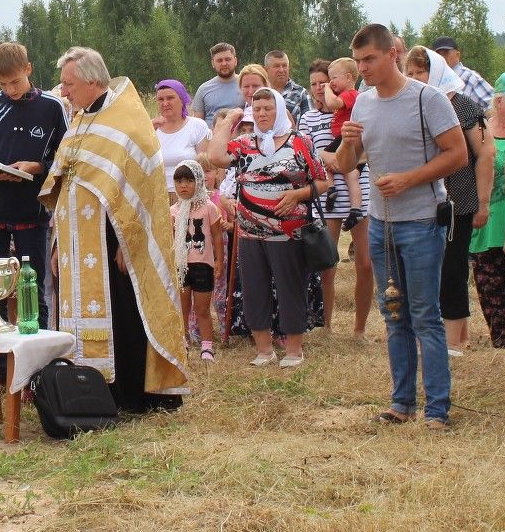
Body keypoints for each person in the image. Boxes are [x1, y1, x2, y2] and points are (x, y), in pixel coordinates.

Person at [43, 46, 189, 412]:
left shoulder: (128, 122)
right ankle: (86, 388)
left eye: (69, 84)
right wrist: (59, 244)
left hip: (113, 239)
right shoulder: (79, 120)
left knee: (124, 311)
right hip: (77, 241)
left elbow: (145, 192)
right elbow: (65, 187)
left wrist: (130, 242)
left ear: (92, 81)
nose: (64, 91)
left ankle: (130, 393)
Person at [335, 24, 467, 430]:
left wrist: (410, 179)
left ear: (393, 54)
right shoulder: (363, 104)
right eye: (358, 62)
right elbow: (345, 164)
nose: (363, 69)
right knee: (393, 313)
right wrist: (347, 142)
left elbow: (458, 154)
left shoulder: (427, 99)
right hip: (381, 223)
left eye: (369, 59)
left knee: (425, 315)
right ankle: (402, 403)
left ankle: (438, 409)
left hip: (422, 221)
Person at [210, 87, 331, 367]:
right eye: (257, 109)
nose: (262, 114)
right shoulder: (245, 143)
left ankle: (294, 350)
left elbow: (323, 182)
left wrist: (297, 195)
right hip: (249, 232)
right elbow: (215, 157)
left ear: (279, 110)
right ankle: (264, 350)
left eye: (268, 108)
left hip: (288, 232)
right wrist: (230, 121)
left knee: (290, 288)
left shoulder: (299, 141)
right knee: (254, 289)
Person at [0, 42, 67, 329]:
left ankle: (37, 349)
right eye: (2, 84)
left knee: (32, 290)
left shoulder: (52, 107)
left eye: (15, 82)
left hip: (32, 213)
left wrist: (37, 167)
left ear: (28, 69)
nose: (10, 90)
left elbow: (66, 159)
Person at [404, 47, 493, 356]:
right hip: (427, 201)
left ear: (437, 72)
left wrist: (483, 202)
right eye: (410, 73)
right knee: (436, 268)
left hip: (458, 201)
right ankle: (459, 334)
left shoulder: (462, 104)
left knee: (452, 269)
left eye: (421, 72)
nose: (416, 78)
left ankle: (452, 341)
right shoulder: (418, 105)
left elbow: (485, 153)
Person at [299, 59, 372, 336]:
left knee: (365, 263)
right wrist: (328, 157)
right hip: (327, 195)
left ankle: (359, 328)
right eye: (314, 84)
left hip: (358, 189)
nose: (320, 88)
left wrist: (342, 159)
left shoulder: (355, 107)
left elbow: (366, 147)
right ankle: (325, 325)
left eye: (325, 82)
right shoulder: (308, 118)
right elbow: (304, 151)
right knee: (326, 262)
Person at [469, 72, 505, 350]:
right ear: (499, 101)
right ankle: (500, 340)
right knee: (489, 283)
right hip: (487, 223)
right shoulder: (480, 130)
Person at [171, 160, 227, 363]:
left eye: (189, 180)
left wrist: (218, 260)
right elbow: (170, 238)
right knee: (183, 307)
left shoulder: (209, 208)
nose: (183, 186)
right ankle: (183, 340)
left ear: (199, 181)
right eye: (179, 181)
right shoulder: (173, 210)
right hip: (181, 265)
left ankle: (207, 346)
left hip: (202, 264)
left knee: (202, 309)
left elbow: (217, 235)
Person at [323, 57, 367, 234]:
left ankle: (331, 187)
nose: (331, 82)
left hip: (345, 137)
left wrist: (327, 89)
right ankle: (356, 210)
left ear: (349, 78)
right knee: (352, 175)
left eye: (334, 78)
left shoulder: (350, 94)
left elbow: (332, 103)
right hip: (353, 139)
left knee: (323, 160)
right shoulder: (352, 95)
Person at [154, 79, 212, 201]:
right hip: (159, 196)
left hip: (190, 195)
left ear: (182, 100)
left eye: (170, 98)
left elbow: (205, 165)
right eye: (160, 99)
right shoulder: (151, 129)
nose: (165, 103)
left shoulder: (197, 126)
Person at [431, 36, 495, 111]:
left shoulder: (471, 78)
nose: (442, 57)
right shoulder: (432, 81)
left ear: (457, 55)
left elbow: (494, 107)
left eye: (446, 53)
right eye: (438, 54)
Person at [190, 43, 241, 127]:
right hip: (211, 134)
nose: (224, 63)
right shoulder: (203, 89)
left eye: (228, 59)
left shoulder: (246, 86)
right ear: (213, 63)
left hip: (240, 134)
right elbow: (197, 125)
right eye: (219, 60)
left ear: (235, 61)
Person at [265, 50, 311, 120]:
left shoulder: (301, 93)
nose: (281, 70)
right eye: (276, 66)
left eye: (284, 66)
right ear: (266, 70)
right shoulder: (259, 93)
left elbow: (310, 121)